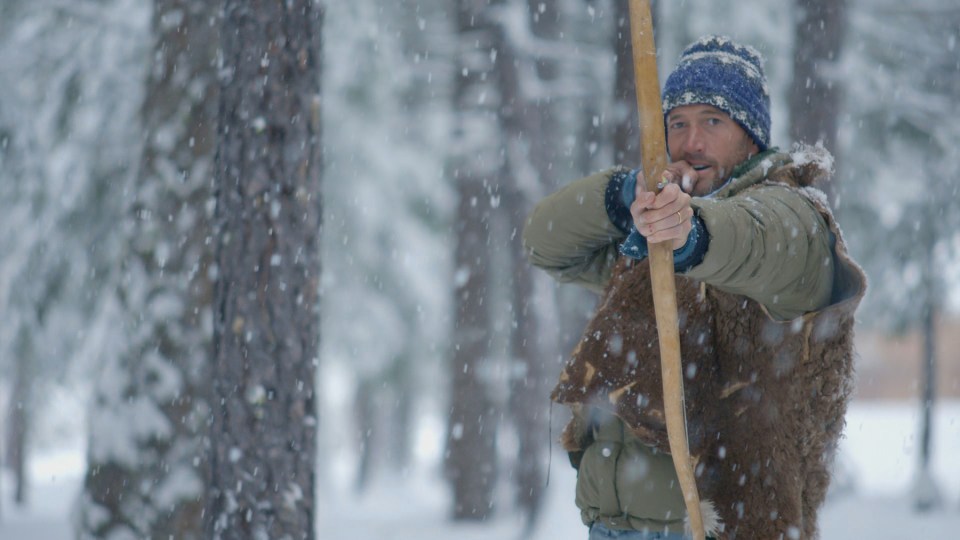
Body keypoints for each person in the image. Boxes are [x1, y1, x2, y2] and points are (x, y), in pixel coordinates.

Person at [523, 36, 866, 540]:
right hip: (613, 528)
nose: (691, 143)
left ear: (751, 136)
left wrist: (691, 235)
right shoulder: (648, 233)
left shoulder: (795, 214)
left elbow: (753, 240)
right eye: (678, 123)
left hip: (723, 527)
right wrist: (624, 197)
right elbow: (543, 243)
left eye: (713, 121)